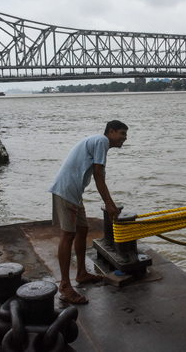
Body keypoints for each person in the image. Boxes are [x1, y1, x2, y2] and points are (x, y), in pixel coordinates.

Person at [49, 120, 128, 304]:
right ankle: (65, 285)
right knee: (67, 235)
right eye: (122, 133)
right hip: (67, 191)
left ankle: (82, 273)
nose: (125, 138)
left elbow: (96, 174)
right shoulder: (102, 141)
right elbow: (98, 175)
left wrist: (110, 203)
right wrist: (109, 204)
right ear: (111, 132)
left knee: (82, 230)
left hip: (75, 193)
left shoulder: (99, 142)